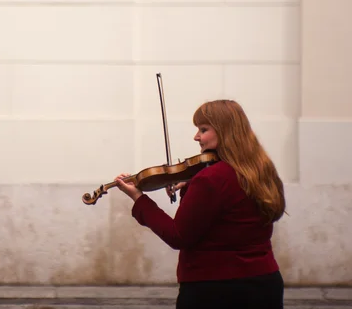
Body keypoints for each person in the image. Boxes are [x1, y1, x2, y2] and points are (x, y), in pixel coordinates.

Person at [115, 100, 286, 309]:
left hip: (215, 289)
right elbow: (232, 209)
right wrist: (191, 185)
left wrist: (139, 199)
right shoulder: (261, 170)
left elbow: (177, 235)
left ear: (224, 131)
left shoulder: (211, 179)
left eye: (203, 130)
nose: (196, 137)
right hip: (265, 283)